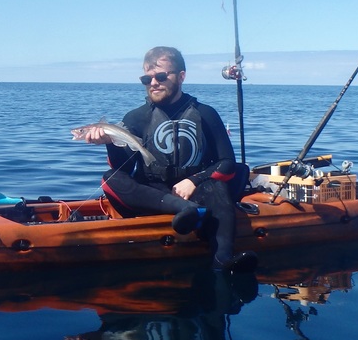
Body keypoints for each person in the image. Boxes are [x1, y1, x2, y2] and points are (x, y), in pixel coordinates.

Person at [81, 46, 257, 273]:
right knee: (110, 178)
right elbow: (121, 165)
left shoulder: (206, 114)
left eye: (161, 76)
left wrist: (194, 181)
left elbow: (227, 163)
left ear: (181, 76)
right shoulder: (135, 117)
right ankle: (184, 210)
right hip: (157, 194)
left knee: (218, 187)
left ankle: (222, 259)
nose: (153, 82)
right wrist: (108, 143)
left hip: (196, 190)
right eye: (147, 78)